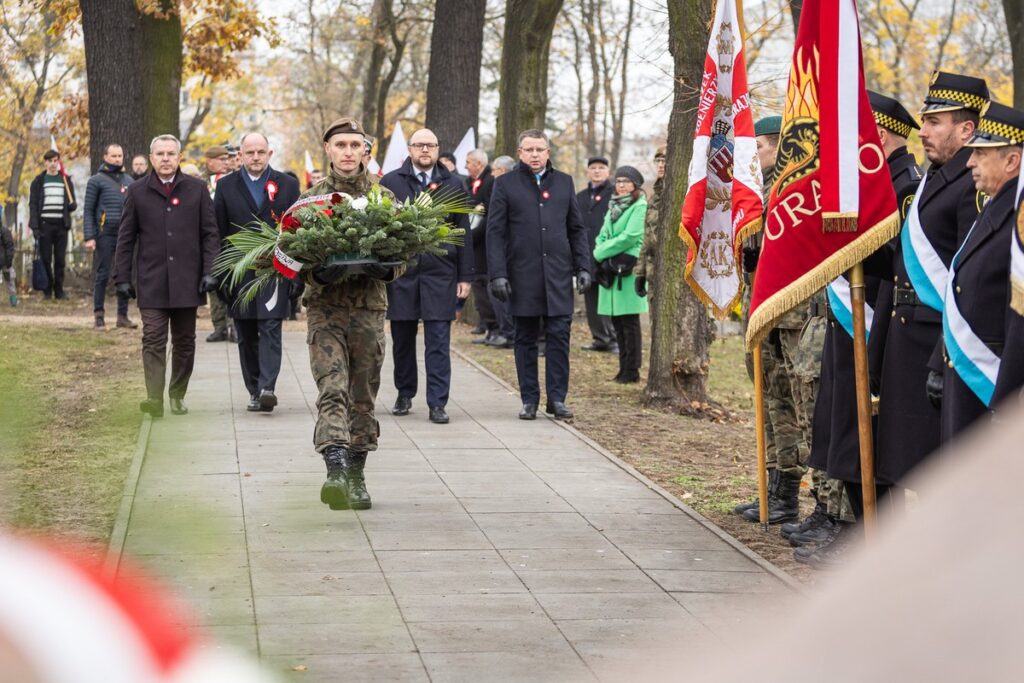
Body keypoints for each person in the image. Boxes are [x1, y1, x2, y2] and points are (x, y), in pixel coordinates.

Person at [794, 92, 923, 568]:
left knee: (869, 435)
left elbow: (901, 266)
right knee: (845, 433)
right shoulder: (871, 184)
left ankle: (875, 542)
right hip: (853, 324)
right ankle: (858, 532)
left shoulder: (904, 186)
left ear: (879, 135)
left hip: (879, 324)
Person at [873, 72, 989, 489]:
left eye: (934, 123)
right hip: (905, 333)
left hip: (936, 338)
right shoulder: (935, 178)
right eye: (924, 121)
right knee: (901, 458)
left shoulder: (970, 184)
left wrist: (944, 348)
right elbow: (900, 264)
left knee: (931, 466)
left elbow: (969, 277)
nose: (922, 133)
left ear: (966, 129)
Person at [302, 117, 404, 511]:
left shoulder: (385, 199)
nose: (347, 152)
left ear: (366, 151)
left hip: (368, 310)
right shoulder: (310, 201)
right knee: (332, 389)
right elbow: (292, 253)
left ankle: (357, 476)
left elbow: (406, 250)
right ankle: (335, 470)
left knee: (362, 395)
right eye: (339, 144)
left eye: (353, 145)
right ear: (328, 149)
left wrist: (389, 268)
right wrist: (316, 270)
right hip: (325, 309)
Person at [735, 115, 811, 526]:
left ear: (778, 147)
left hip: (790, 316)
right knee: (768, 398)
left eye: (759, 148)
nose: (753, 156)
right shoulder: (761, 190)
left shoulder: (794, 188)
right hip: (762, 310)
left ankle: (788, 494)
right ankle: (772, 487)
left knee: (788, 405)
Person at [487, 129, 592, 420]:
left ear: (548, 152)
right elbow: (495, 232)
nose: (535, 155)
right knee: (525, 339)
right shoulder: (505, 184)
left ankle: (557, 399)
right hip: (522, 276)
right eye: (529, 149)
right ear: (520, 153)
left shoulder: (564, 182)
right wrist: (497, 274)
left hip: (558, 276)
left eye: (540, 149)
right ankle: (529, 399)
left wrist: (583, 266)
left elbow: (576, 229)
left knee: (559, 337)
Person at [114, 134, 220, 418]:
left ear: (179, 157)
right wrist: (122, 278)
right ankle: (154, 398)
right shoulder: (137, 192)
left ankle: (177, 394)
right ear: (151, 158)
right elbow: (125, 239)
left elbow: (210, 234)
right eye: (159, 154)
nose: (165, 159)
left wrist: (211, 271)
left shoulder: (197, 190)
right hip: (152, 280)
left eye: (170, 154)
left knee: (185, 341)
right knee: (153, 337)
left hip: (188, 279)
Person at [936, 102, 1022, 440]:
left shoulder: (1018, 220)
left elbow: (1019, 316)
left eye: (981, 154)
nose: (969, 161)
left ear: (1012, 161)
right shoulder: (991, 209)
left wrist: (1006, 399)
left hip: (994, 380)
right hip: (967, 374)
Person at [382, 129, 473, 424]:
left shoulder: (454, 183)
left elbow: (464, 233)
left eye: (430, 145)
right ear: (409, 149)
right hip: (403, 273)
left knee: (438, 341)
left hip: (440, 274)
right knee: (403, 340)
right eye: (419, 145)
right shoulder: (392, 182)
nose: (425, 150)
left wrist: (465, 276)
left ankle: (437, 402)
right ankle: (405, 392)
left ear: (437, 149)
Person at [214, 132, 301, 414]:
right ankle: (253, 388)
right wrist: (221, 275)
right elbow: (218, 232)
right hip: (239, 271)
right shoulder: (226, 186)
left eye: (260, 152)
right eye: (249, 152)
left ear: (269, 154)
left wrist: (297, 273)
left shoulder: (287, 184)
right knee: (247, 331)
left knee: (271, 326)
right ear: (240, 155)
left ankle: (267, 388)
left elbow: (298, 230)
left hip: (275, 269)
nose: (255, 157)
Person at [593, 166, 648, 383]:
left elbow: (631, 236)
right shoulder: (613, 205)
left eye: (626, 181)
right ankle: (622, 368)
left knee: (630, 323)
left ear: (635, 184)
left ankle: (632, 370)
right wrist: (601, 248)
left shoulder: (640, 206)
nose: (621, 184)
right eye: (618, 181)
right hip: (612, 268)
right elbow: (603, 233)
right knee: (617, 322)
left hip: (628, 269)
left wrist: (598, 253)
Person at [83, 143, 137, 330]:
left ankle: (122, 316)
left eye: (120, 156)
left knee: (124, 274)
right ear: (105, 157)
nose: (117, 159)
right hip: (104, 234)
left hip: (125, 234)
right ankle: (99, 315)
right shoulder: (96, 180)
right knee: (102, 275)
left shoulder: (129, 181)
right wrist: (89, 236)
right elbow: (88, 210)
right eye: (113, 156)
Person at [576, 156, 617, 353]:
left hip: (608, 254)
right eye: (593, 168)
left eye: (601, 168)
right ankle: (599, 338)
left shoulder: (614, 194)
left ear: (608, 172)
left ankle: (613, 338)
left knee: (608, 297)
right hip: (586, 253)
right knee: (590, 297)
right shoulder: (580, 197)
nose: (597, 171)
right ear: (588, 172)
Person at [28, 149, 77, 300]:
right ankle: (47, 289)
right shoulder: (38, 181)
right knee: (46, 258)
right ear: (46, 163)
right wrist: (35, 227)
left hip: (61, 225)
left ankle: (59, 290)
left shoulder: (65, 180)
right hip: (45, 225)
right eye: (50, 161)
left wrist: (72, 205)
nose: (53, 164)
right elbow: (33, 205)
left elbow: (71, 202)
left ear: (59, 162)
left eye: (56, 161)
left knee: (60, 259)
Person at [203, 145, 235, 343]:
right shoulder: (200, 182)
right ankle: (219, 326)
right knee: (214, 285)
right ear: (210, 161)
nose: (226, 162)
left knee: (232, 284)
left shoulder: (234, 180)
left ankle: (234, 326)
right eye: (222, 159)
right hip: (210, 240)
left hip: (230, 238)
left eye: (227, 159)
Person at [633, 145, 666, 299]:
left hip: (671, 273)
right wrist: (640, 273)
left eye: (664, 160)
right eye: (658, 160)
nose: (660, 165)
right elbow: (646, 237)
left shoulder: (681, 192)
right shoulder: (654, 196)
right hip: (653, 275)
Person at [0, 220, 15, 306]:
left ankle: (13, 298)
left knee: (9, 280)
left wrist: (9, 259)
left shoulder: (4, 231)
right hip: (5, 260)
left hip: (5, 262)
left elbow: (9, 246)